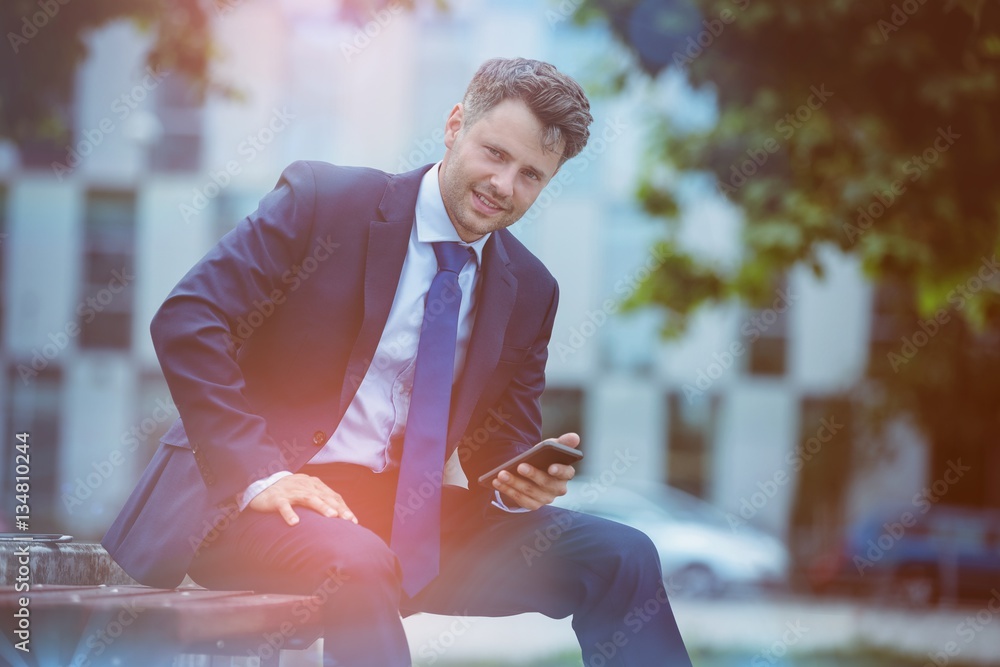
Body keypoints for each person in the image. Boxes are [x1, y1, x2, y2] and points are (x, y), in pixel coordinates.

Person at [103, 57, 692, 666]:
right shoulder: (323, 202)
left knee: (623, 554)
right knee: (358, 560)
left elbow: (500, 445)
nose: (503, 185)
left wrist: (520, 481)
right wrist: (260, 471)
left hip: (405, 521)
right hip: (255, 499)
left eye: (531, 176)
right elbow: (188, 319)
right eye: (494, 153)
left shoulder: (530, 288)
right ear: (455, 124)